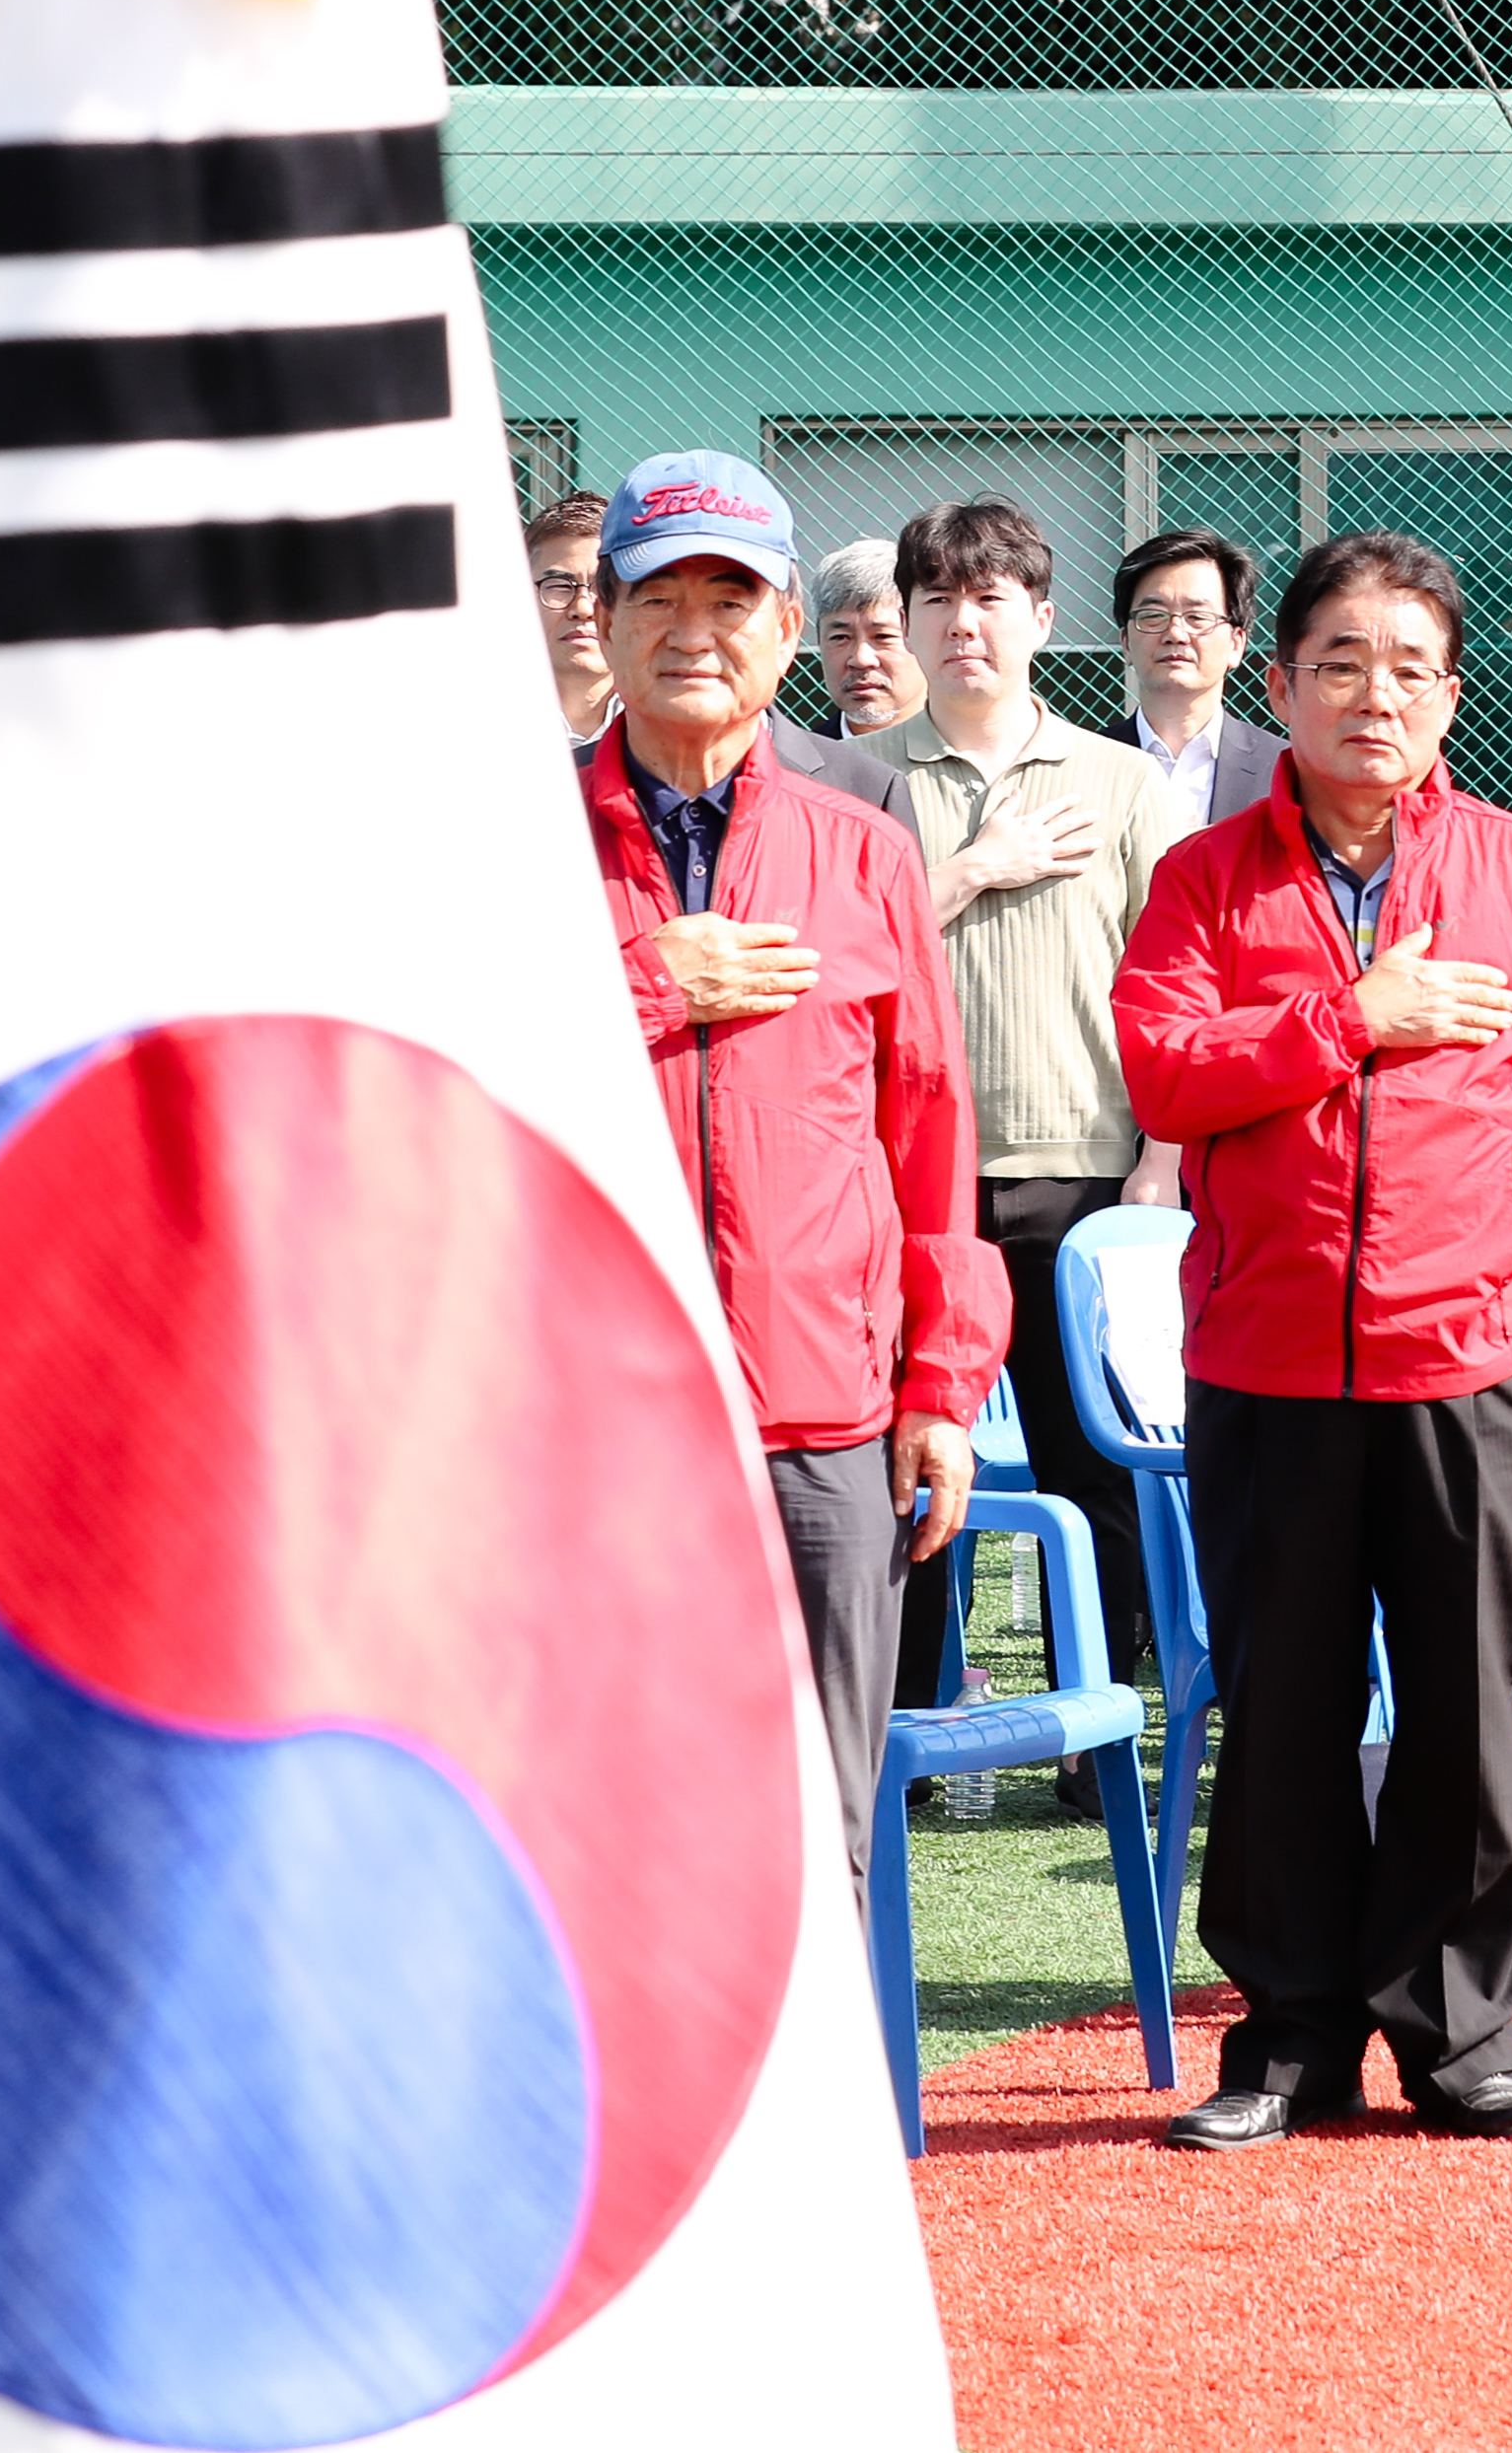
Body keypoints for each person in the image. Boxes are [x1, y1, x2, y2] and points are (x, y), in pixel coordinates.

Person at [1117, 533, 1512, 2145]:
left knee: (1467, 1708)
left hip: (1469, 1353)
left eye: (1410, 666)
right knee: (1278, 1701)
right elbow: (1165, 1072)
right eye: (1339, 660)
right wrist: (1349, 1015)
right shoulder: (1205, 879)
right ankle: (1285, 2036)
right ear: (1276, 687)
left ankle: (1459, 2031)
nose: (1373, 694)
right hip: (1265, 1358)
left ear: (1450, 700)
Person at [575, 454, 1001, 1950]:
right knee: (600, 1813)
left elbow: (932, 1134)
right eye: (661, 594)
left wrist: (939, 1385)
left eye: (732, 597)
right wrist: (637, 984)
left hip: (824, 1409)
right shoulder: (512, 854)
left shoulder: (866, 849)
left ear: (778, 633)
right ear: (606, 621)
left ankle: (814, 2170)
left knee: (820, 1827)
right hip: (585, 1413)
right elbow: (439, 1090)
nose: (696, 627)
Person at [862, 495, 1176, 1758]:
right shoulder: (859, 775)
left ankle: (1095, 1735)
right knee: (902, 1457)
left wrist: (1164, 1153)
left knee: (1084, 1471)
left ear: (1042, 618)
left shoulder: (1124, 780)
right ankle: (911, 1726)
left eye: (989, 596)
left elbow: (1178, 977)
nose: (962, 622)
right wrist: (977, 864)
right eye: (936, 597)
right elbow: (847, 956)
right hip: (905, 1184)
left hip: (1090, 1174)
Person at [1116, 529, 1285, 834]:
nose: (1175, 634)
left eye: (1197, 617)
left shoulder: (1285, 769)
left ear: (1236, 644)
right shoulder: (1085, 764)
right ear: (1126, 643)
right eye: (1153, 616)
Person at [525, 491, 617, 743]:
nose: (583, 609)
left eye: (602, 587)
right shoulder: (472, 719)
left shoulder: (669, 718)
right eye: (558, 585)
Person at [816, 538, 924, 738]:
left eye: (883, 636)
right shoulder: (792, 765)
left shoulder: (978, 753)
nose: (861, 659)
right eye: (840, 637)